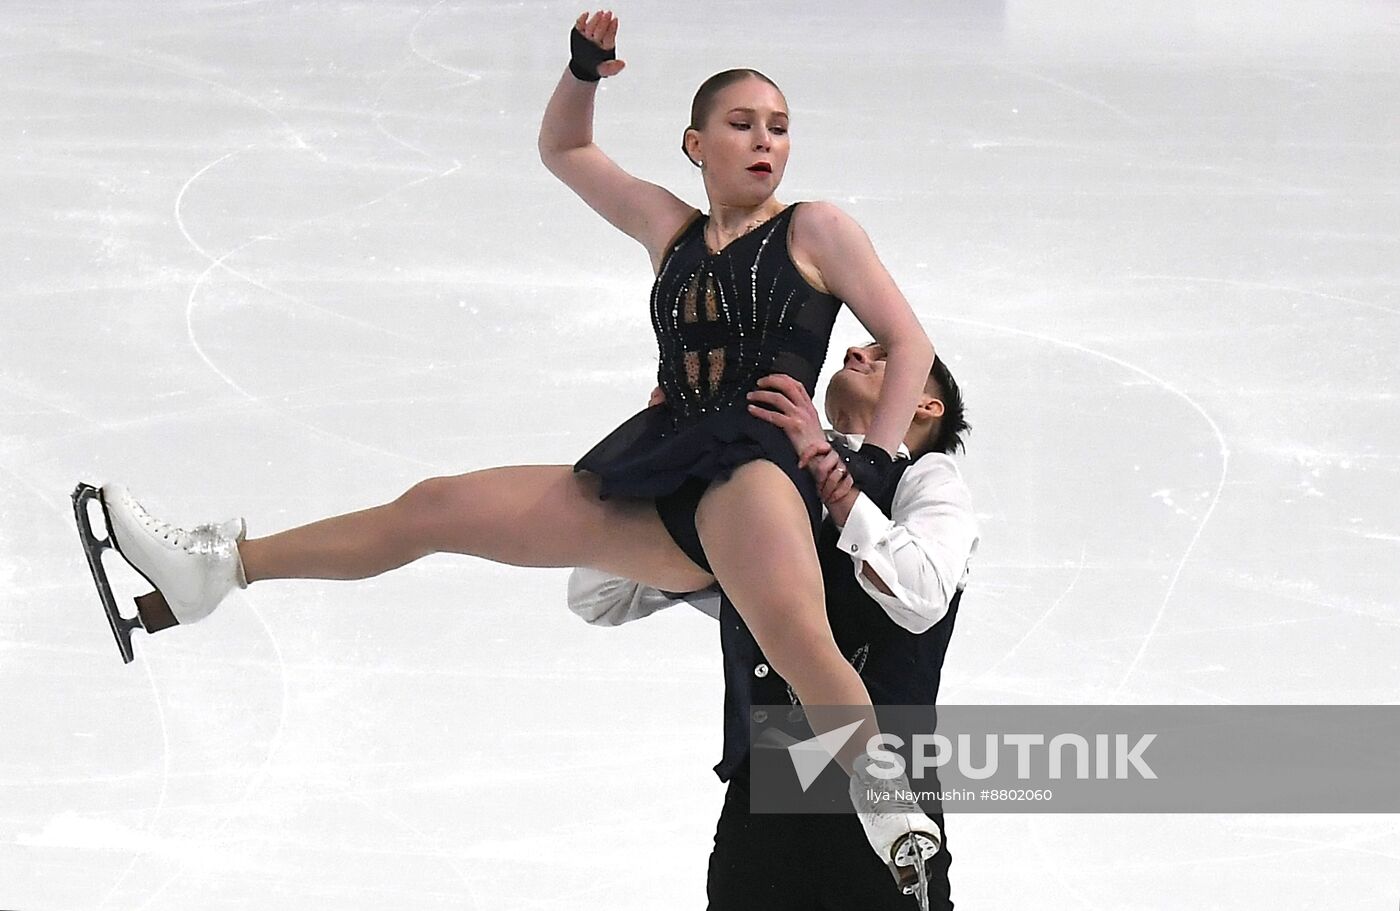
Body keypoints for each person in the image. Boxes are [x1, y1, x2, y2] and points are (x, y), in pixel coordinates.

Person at [71, 10, 942, 896]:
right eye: (743, 124)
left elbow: (906, 340)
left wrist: (867, 465)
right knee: (437, 506)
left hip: (754, 464)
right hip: (658, 463)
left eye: (780, 128)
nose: (766, 142)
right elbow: (565, 150)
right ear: (695, 142)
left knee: (796, 635)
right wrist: (583, 71)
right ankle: (214, 571)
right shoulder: (669, 229)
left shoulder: (816, 228)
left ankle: (889, 811)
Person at [569, 343, 978, 910]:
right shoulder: (760, 493)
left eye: (882, 357)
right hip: (762, 807)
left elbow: (923, 591)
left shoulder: (927, 479)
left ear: (925, 406)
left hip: (887, 810)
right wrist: (666, 454)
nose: (857, 349)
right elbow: (598, 595)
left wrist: (827, 472)